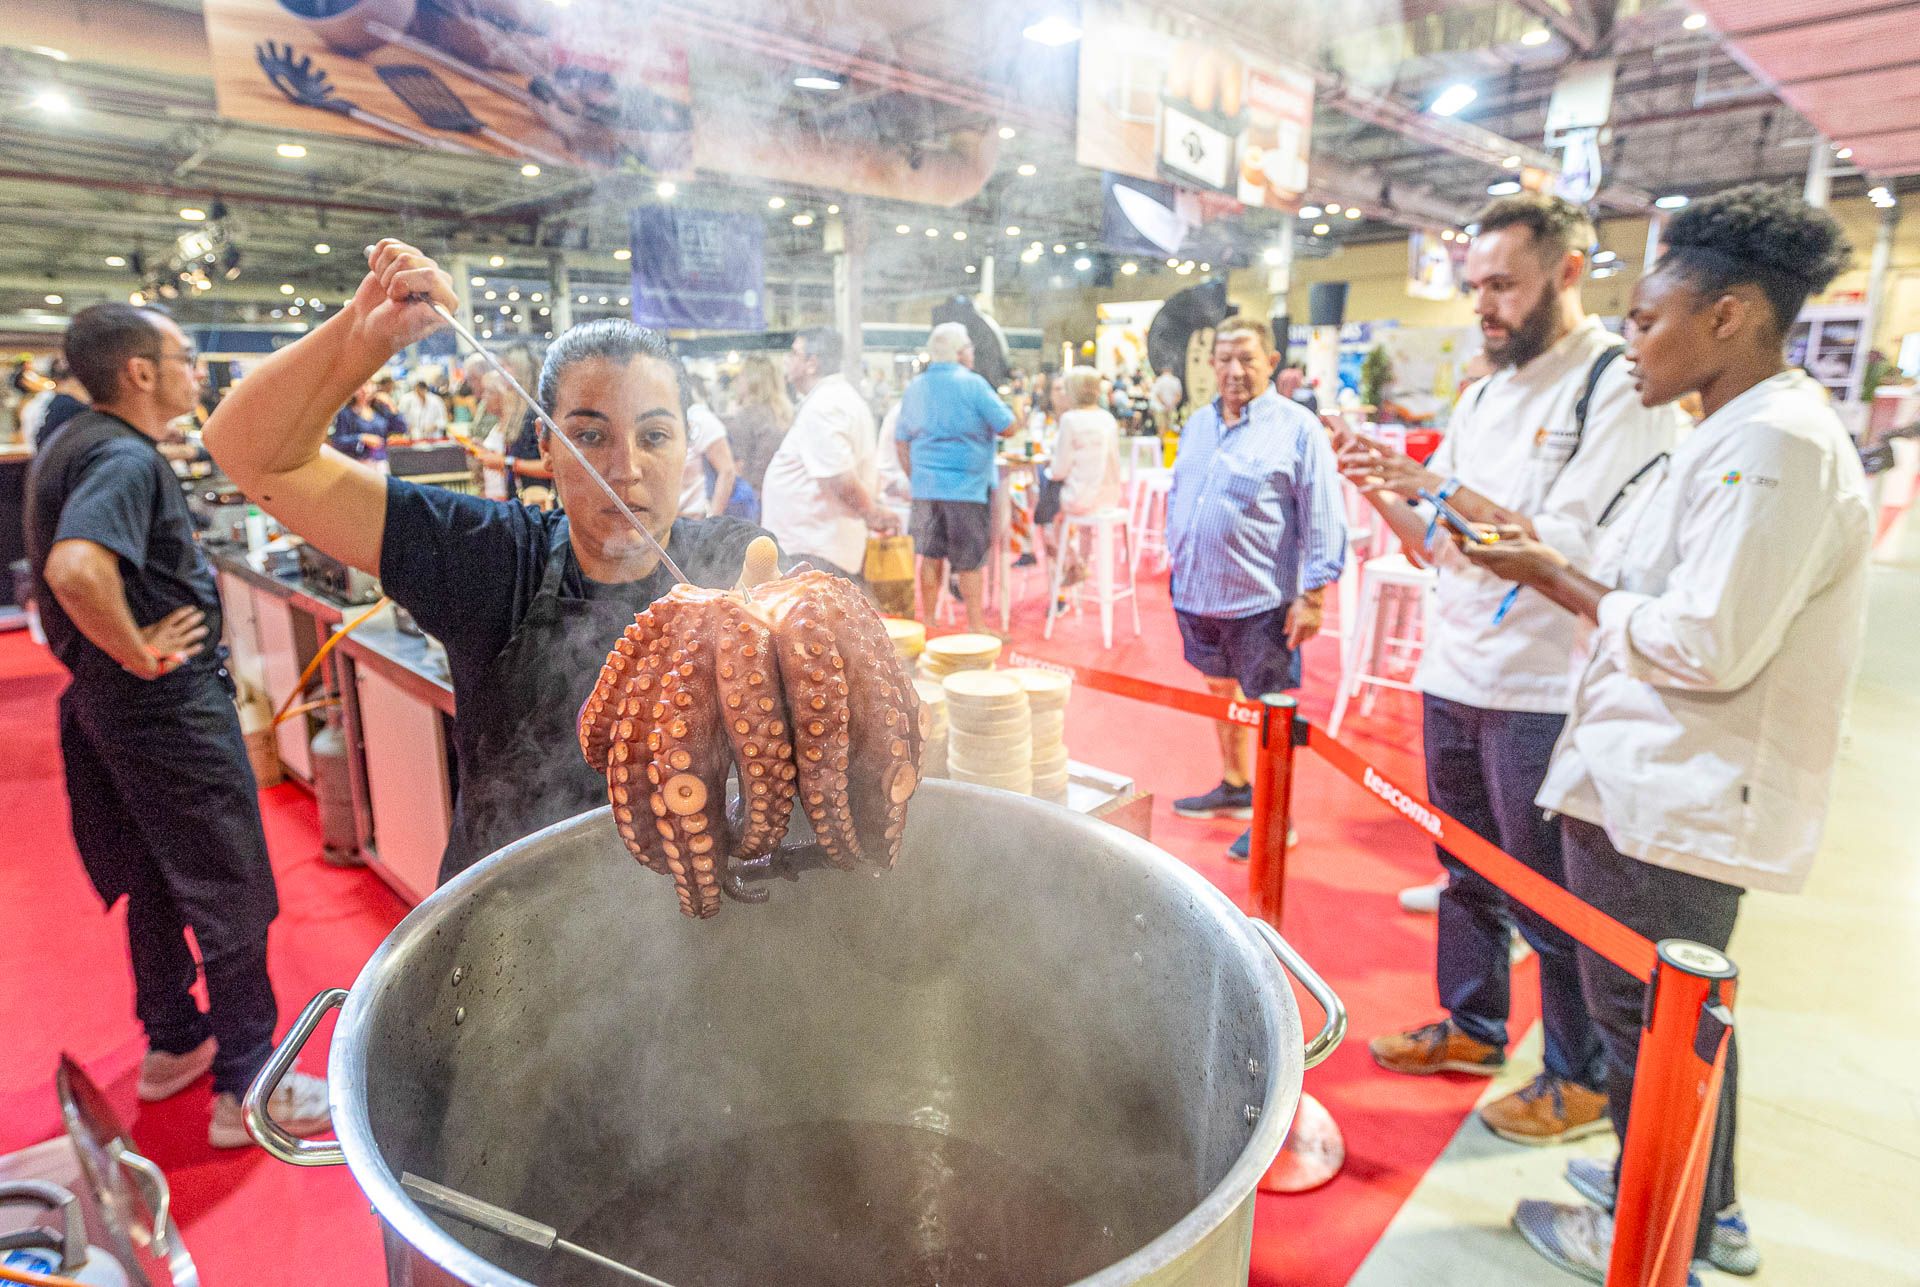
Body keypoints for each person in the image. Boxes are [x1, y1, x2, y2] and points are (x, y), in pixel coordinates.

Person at [1461, 186, 1863, 1282]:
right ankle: (1692, 1196)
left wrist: (1547, 572)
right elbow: (1647, 583)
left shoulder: (1773, 446)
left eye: (1647, 320)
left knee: (1658, 1022)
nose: (1631, 344)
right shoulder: (1726, 434)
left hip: (1688, 792)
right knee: (1653, 1019)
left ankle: (1660, 1234)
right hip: (1649, 776)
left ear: (1727, 316)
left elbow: (1708, 642)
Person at [204, 240, 767, 885]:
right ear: (547, 449)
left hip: (686, 914)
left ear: (688, 446)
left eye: (655, 436)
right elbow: (249, 449)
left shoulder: (736, 561)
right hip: (512, 918)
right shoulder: (490, 555)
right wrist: (365, 336)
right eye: (589, 435)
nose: (625, 469)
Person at [1338, 193, 1688, 1146]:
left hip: (1541, 688)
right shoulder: (1483, 393)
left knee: (1548, 893)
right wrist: (1376, 483)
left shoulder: (1615, 387)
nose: (1484, 306)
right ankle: (1473, 1023)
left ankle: (1576, 1075)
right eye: (1474, 287)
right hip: (1455, 669)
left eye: (1504, 285)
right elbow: (1435, 540)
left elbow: (1555, 551)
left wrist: (1438, 490)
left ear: (1567, 274)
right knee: (1464, 870)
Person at [25, 304, 329, 1148]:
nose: (198, 372)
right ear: (140, 372)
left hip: (112, 713)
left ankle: (174, 1039)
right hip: (163, 713)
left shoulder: (72, 441)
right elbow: (75, 568)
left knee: (157, 875)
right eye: (185, 356)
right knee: (232, 891)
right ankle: (250, 1085)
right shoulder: (124, 457)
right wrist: (141, 649)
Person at [1168, 318, 1346, 860]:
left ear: (1271, 362)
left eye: (1246, 358)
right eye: (1223, 359)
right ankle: (1235, 785)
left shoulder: (1297, 427)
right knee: (1219, 693)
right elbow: (1184, 493)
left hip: (1261, 601)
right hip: (1198, 594)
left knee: (1269, 711)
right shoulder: (1199, 423)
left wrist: (1313, 595)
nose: (1233, 370)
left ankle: (1275, 815)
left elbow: (1322, 512)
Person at [895, 321, 1016, 632]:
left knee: (929, 557)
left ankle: (930, 623)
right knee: (970, 562)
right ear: (962, 352)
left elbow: (902, 440)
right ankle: (976, 626)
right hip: (967, 488)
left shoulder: (915, 387)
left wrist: (918, 477)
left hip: (926, 489)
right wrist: (1020, 410)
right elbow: (1007, 426)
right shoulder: (973, 384)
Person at [760, 327, 897, 579]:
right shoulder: (829, 399)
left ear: (812, 363)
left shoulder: (826, 405)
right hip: (814, 546)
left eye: (794, 353)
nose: (787, 361)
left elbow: (840, 479)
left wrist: (872, 514)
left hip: (815, 551)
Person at [723, 353, 793, 507]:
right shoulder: (784, 414)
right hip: (780, 496)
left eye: (741, 376)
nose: (736, 381)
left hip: (752, 499)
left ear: (752, 381)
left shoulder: (747, 416)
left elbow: (736, 464)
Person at [678, 376, 737, 519]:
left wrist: (712, 521)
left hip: (694, 520)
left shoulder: (700, 419)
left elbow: (727, 471)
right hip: (670, 524)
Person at [331, 380, 403, 461]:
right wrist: (361, 438)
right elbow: (338, 441)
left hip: (382, 461)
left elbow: (401, 429)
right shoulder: (346, 413)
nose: (365, 390)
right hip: (358, 462)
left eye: (368, 385)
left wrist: (391, 405)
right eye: (360, 386)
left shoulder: (380, 409)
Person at [398, 375, 449, 439]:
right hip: (413, 437)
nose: (420, 392)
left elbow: (443, 420)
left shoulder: (436, 400)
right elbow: (401, 417)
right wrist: (408, 427)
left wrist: (434, 426)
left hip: (434, 438)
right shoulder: (406, 399)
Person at [1151, 366, 1183, 433]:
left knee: (1161, 427)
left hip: (1160, 407)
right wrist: (1171, 405)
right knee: (1171, 428)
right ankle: (1169, 442)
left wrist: (1165, 404)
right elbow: (1178, 395)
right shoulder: (1176, 381)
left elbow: (1157, 395)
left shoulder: (1159, 380)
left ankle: (1162, 442)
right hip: (1171, 408)